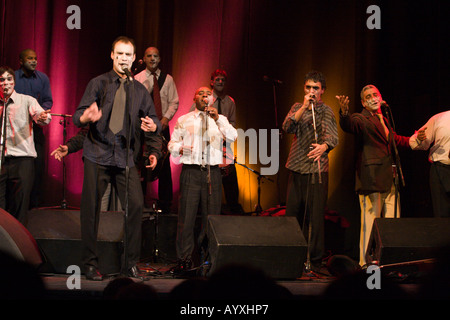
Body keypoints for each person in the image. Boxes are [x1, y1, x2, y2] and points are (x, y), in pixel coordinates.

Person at [72, 36, 162, 281]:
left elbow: (154, 120)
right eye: (119, 54)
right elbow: (77, 115)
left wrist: (153, 138)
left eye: (128, 55)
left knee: (134, 207)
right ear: (112, 55)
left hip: (126, 158)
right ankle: (89, 264)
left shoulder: (140, 90)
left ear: (134, 59)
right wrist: (86, 117)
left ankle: (129, 264)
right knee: (91, 212)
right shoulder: (98, 83)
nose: (123, 58)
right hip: (97, 155)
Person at [337, 84, 410, 266]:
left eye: (375, 94)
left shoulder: (384, 118)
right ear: (363, 102)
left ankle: (391, 263)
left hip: (390, 178)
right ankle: (365, 263)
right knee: (369, 223)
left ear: (381, 96)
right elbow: (349, 124)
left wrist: (414, 141)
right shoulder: (362, 119)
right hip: (371, 179)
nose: (373, 98)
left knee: (393, 223)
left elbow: (393, 139)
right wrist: (344, 113)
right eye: (368, 96)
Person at [168, 86, 238, 273]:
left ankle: (207, 260)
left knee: (211, 219)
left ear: (213, 100)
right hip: (191, 171)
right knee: (186, 218)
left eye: (208, 94)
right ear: (194, 98)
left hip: (212, 173)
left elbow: (233, 136)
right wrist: (179, 149)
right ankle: (184, 260)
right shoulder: (185, 119)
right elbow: (172, 143)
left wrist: (218, 119)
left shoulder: (220, 119)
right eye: (201, 93)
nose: (205, 96)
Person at [282, 71, 338, 274]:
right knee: (292, 215)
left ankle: (314, 262)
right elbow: (287, 126)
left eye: (315, 88)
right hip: (297, 167)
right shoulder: (298, 107)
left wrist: (324, 146)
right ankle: (290, 258)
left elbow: (333, 137)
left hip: (317, 169)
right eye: (308, 88)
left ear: (322, 90)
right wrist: (304, 106)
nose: (312, 91)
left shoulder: (326, 110)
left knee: (315, 218)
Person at [0, 66, 52, 223]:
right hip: (1, 161)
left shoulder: (27, 100)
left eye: (9, 79)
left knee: (20, 207)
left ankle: (18, 245)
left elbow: (42, 117)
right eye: (2, 80)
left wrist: (43, 117)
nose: (6, 83)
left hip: (22, 160)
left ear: (14, 82)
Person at [190, 69, 243, 215]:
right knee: (209, 179)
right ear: (212, 82)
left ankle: (233, 210)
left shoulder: (230, 102)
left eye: (223, 80)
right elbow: (192, 117)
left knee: (230, 177)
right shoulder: (204, 97)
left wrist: (224, 138)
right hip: (207, 146)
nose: (220, 82)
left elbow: (232, 124)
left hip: (224, 144)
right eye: (217, 79)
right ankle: (206, 211)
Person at [135, 46, 179, 213]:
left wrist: (165, 119)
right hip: (143, 126)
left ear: (159, 59)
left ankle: (165, 203)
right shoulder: (138, 78)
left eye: (155, 56)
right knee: (141, 161)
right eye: (149, 56)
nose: (152, 59)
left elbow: (174, 101)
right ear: (144, 59)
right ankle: (140, 201)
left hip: (162, 125)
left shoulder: (168, 79)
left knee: (164, 163)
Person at [14, 49, 53, 209]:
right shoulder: (14, 77)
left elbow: (47, 101)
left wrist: (40, 114)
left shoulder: (42, 78)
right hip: (15, 130)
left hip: (35, 129)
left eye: (35, 58)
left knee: (36, 169)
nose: (34, 61)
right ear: (21, 61)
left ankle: (34, 206)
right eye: (30, 58)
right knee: (17, 170)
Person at [409, 110, 450, 217]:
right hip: (441, 169)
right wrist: (419, 139)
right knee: (442, 214)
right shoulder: (439, 118)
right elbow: (417, 142)